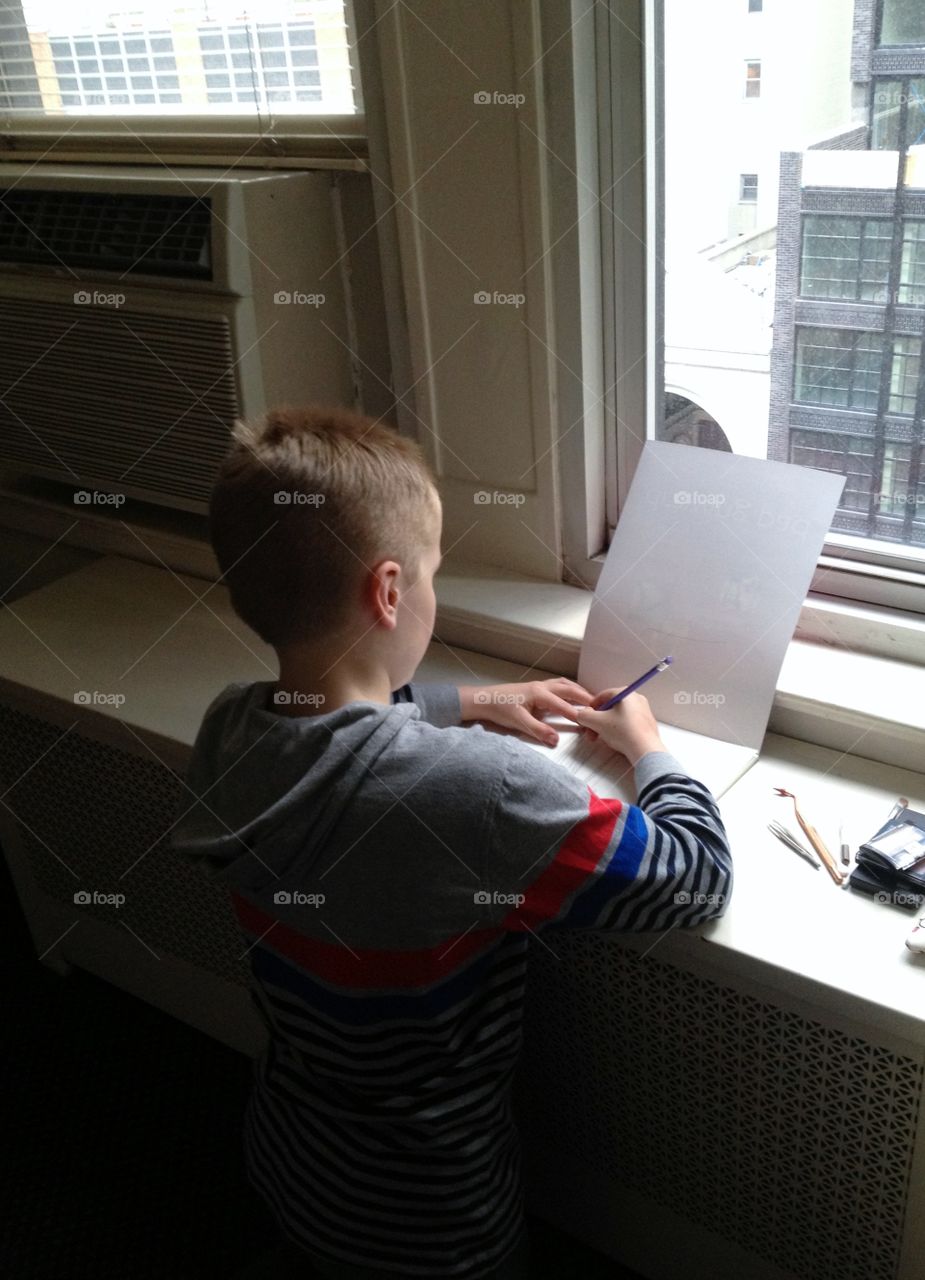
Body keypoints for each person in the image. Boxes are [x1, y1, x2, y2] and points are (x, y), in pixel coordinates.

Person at [171, 406, 732, 1280]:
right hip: (433, 1220)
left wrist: (472, 700)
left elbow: (334, 721)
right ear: (390, 592)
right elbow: (691, 880)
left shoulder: (229, 726)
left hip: (294, 1158)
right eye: (433, 573)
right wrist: (648, 749)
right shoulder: (482, 795)